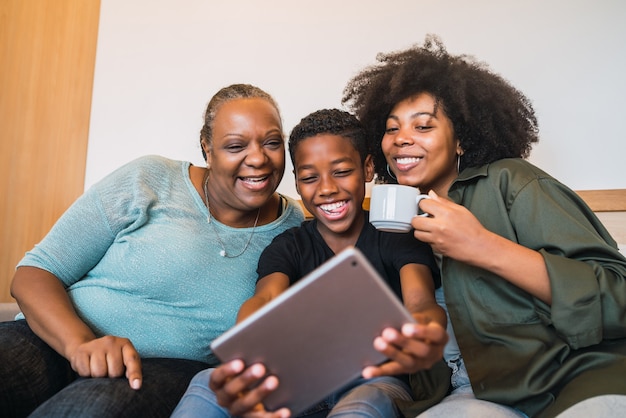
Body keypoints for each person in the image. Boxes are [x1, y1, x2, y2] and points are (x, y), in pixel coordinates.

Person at [341, 35, 626, 418]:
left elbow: (618, 295)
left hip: (575, 379)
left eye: (423, 126)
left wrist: (482, 246)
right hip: (477, 395)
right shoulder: (397, 221)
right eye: (391, 129)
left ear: (460, 139)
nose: (401, 139)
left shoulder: (512, 182)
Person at [0, 83, 304, 418]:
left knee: (85, 411)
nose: (259, 158)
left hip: (161, 371)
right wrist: (81, 344)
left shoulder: (295, 231)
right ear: (207, 148)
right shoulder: (150, 178)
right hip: (52, 337)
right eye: (235, 145)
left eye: (272, 143)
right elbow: (34, 273)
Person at [171, 109, 449, 418]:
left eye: (341, 172)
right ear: (297, 183)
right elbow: (264, 299)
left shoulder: (395, 237)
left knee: (365, 404)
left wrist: (424, 329)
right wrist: (247, 358)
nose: (327, 188)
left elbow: (421, 301)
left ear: (368, 168)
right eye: (309, 178)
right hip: (299, 379)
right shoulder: (288, 246)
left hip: (375, 380)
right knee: (206, 383)